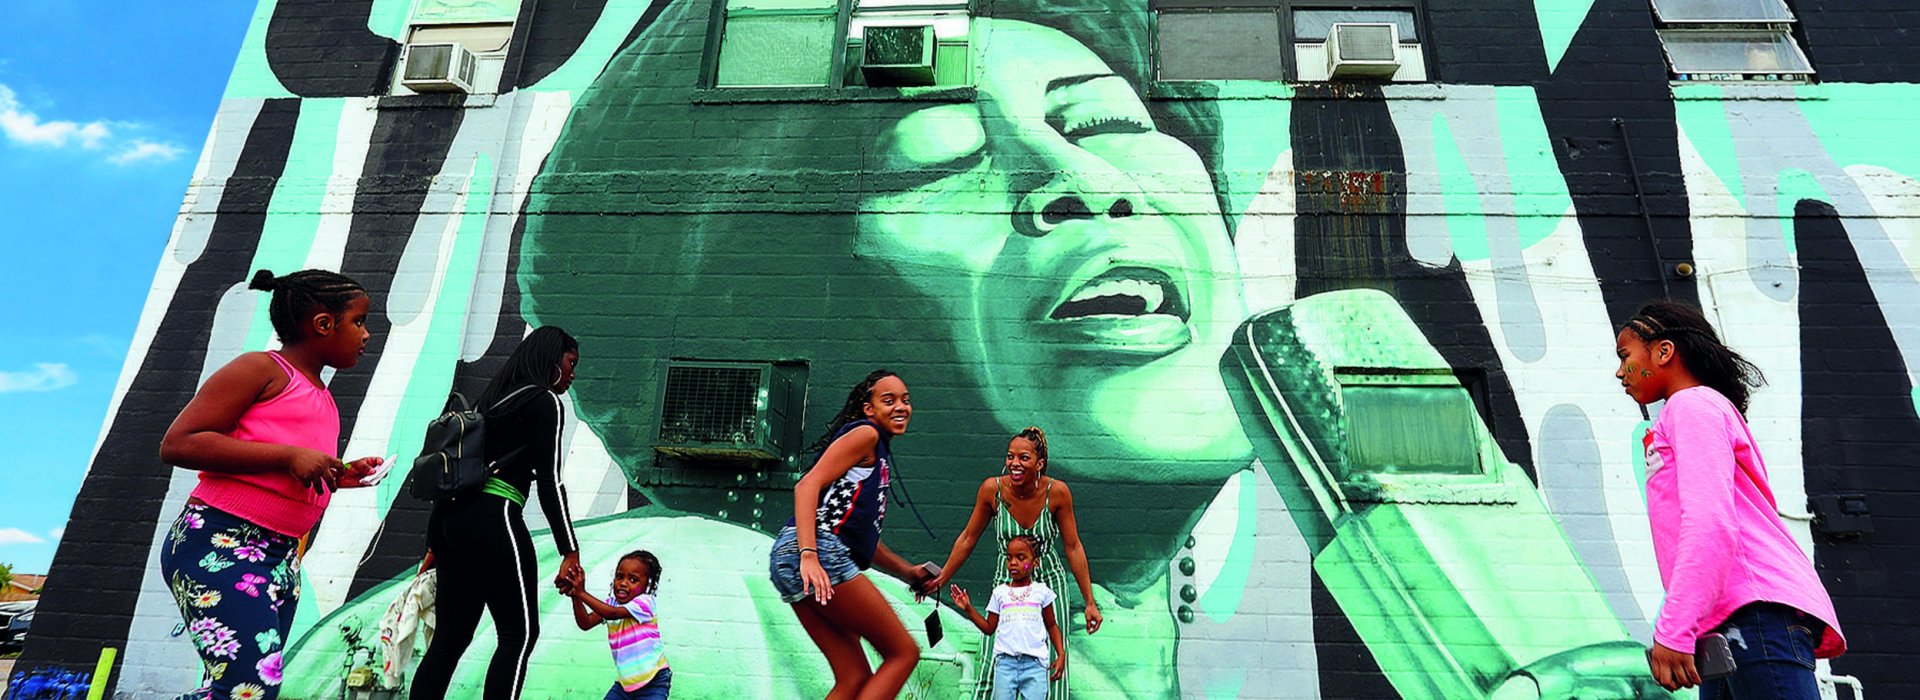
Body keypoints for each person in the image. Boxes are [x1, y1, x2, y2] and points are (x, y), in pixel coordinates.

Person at [157, 268, 384, 700]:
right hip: (219, 541)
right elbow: (178, 443)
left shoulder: (323, 397)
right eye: (359, 321)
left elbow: (285, 473)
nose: (366, 334)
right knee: (248, 687)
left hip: (280, 556)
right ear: (323, 324)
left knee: (252, 688)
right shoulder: (260, 369)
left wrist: (335, 474)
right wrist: (289, 456)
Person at [1615, 301, 1846, 697]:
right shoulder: (1691, 410)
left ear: (1663, 351)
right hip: (1727, 626)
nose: (1620, 371)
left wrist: (1674, 628)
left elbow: (1710, 522)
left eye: (1625, 356)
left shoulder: (1692, 405)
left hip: (1753, 617)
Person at [409, 326, 586, 700]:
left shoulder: (489, 401)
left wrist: (432, 543)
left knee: (449, 638)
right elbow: (550, 481)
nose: (573, 374)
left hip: (450, 522)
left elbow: (458, 473)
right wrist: (569, 549)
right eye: (571, 363)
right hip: (495, 517)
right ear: (552, 360)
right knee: (518, 635)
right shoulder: (544, 401)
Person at [768, 370, 935, 700]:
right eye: (888, 400)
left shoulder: (876, 453)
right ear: (868, 408)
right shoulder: (866, 434)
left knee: (853, 676)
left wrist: (907, 571)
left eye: (906, 399)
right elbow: (806, 487)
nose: (901, 406)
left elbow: (861, 541)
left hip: (793, 555)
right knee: (903, 653)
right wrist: (810, 556)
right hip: (814, 551)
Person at [930, 427, 1098, 699]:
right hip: (1005, 586)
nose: (1015, 464)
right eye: (1010, 457)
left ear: (1039, 463)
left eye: (1023, 458)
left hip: (1048, 586)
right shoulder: (991, 490)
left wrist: (1090, 601)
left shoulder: (1057, 493)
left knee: (1052, 665)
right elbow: (968, 538)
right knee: (991, 663)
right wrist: (943, 576)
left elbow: (1073, 547)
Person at [950, 535, 1067, 700]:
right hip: (1005, 665)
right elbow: (989, 628)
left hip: (1035, 665)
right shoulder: (1000, 593)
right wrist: (969, 609)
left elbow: (1052, 625)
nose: (1013, 562)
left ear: (1035, 563)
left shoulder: (1041, 591)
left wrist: (1061, 654)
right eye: (1009, 557)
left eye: (1021, 558)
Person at [564, 550, 672, 700]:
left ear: (648, 585)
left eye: (633, 580)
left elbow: (612, 613)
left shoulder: (645, 603)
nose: (623, 583)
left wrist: (582, 592)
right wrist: (575, 596)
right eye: (619, 577)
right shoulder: (611, 603)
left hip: (653, 681)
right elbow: (585, 623)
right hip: (625, 685)